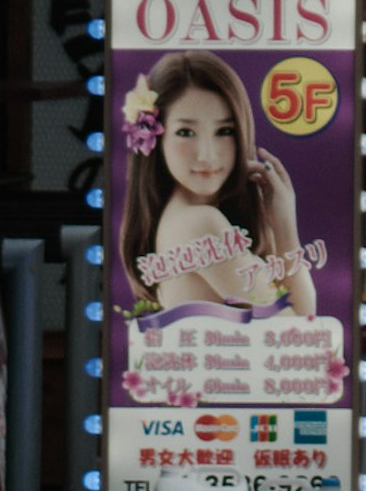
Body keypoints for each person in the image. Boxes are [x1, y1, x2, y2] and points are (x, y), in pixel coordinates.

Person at [120, 46, 319, 320]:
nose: (207, 155)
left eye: (224, 131)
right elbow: (300, 336)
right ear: (154, 138)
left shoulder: (175, 219)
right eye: (186, 132)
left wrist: (278, 222)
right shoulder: (201, 225)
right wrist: (285, 226)